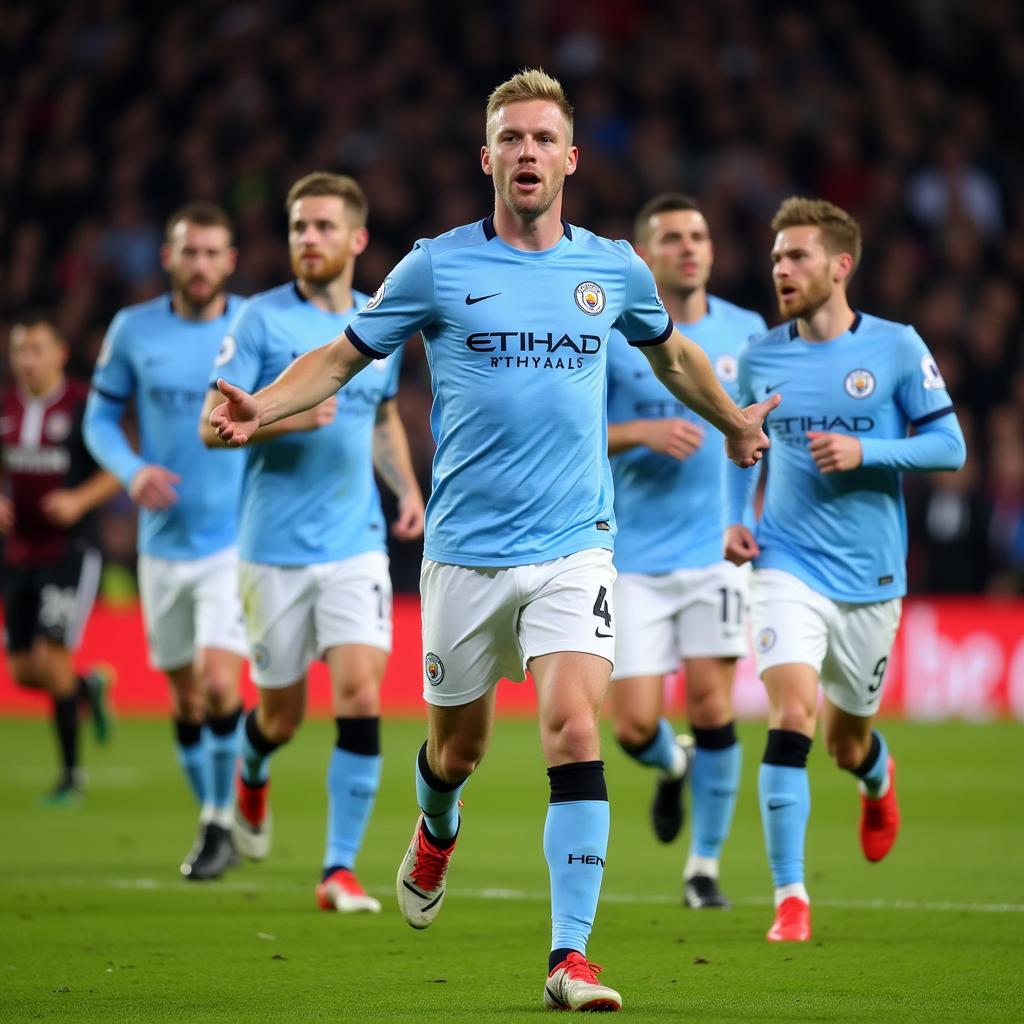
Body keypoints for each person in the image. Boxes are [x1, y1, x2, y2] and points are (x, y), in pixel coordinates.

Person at [209, 71, 775, 1012]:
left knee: (573, 727)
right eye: (510, 138)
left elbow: (669, 352)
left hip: (575, 545)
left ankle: (570, 957)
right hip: (465, 551)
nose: (526, 152)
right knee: (456, 752)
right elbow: (345, 357)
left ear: (569, 159)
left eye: (542, 139)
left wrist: (731, 422)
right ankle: (436, 824)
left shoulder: (613, 269)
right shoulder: (435, 266)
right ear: (487, 157)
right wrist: (260, 407)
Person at [725, 197, 966, 942]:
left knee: (844, 741)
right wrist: (737, 516)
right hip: (784, 562)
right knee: (792, 714)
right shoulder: (762, 357)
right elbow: (744, 445)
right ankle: (790, 896)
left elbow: (950, 447)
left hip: (870, 578)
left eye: (797, 257)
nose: (782, 270)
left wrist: (870, 452)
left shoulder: (895, 349)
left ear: (840, 265)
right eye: (775, 259)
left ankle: (874, 775)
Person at [199, 171, 424, 914]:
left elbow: (382, 414)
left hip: (355, 545)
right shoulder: (259, 322)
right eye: (299, 227)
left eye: (324, 226)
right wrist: (286, 416)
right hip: (272, 550)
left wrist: (406, 489)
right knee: (281, 716)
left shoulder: (376, 319)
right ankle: (253, 773)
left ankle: (338, 869)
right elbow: (212, 425)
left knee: (361, 692)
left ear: (357, 240)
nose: (309, 239)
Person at [605, 194, 767, 910]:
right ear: (646, 255)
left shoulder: (746, 332)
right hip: (631, 557)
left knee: (712, 706)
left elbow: (756, 438)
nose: (689, 247)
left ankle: (702, 869)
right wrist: (640, 433)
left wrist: (750, 517)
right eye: (672, 238)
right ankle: (672, 767)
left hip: (715, 554)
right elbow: (576, 434)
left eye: (698, 235)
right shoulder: (614, 336)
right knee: (635, 723)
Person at [84, 203, 248, 880]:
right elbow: (97, 417)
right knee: (184, 699)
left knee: (217, 683)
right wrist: (131, 470)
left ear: (230, 261)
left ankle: (218, 822)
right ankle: (215, 813)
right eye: (191, 252)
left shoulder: (252, 324)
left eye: (213, 252)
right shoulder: (133, 329)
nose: (201, 264)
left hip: (233, 540)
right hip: (162, 544)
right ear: (169, 258)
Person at [1, 313, 118, 803]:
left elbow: (116, 470)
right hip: (18, 551)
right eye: (20, 351)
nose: (27, 360)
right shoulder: (5, 407)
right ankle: (87, 686)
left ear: (60, 354)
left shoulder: (82, 406)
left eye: (37, 350)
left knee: (52, 658)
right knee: (24, 670)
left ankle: (71, 777)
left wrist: (77, 502)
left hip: (69, 551)